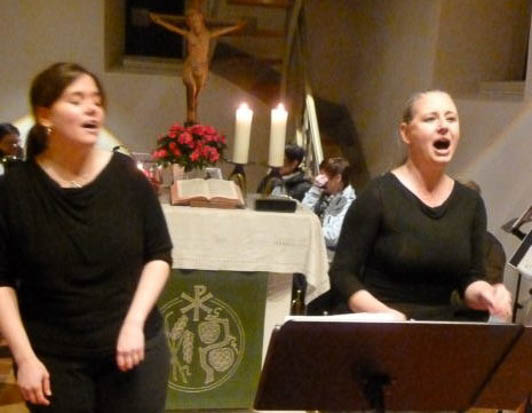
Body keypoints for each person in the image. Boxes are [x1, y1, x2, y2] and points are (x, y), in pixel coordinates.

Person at [0, 62, 172, 412]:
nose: (92, 108)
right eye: (76, 100)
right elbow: (1, 281)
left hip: (133, 347)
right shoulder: (15, 188)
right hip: (52, 357)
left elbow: (159, 255)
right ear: (45, 115)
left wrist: (134, 323)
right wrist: (25, 358)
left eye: (96, 100)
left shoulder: (127, 177)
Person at [329, 90, 512, 321]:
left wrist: (487, 293)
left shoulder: (470, 202)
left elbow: (470, 279)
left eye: (451, 118)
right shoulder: (377, 194)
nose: (443, 126)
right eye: (430, 118)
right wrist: (386, 316)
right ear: (405, 133)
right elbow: (343, 274)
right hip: (380, 324)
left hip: (437, 329)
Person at [150, 8, 245, 124]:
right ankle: (190, 117)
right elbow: (173, 29)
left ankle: (193, 118)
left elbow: (222, 31)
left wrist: (236, 27)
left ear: (201, 21)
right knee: (191, 89)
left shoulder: (208, 34)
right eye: (192, 22)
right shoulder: (189, 34)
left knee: (196, 96)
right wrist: (159, 21)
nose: (195, 24)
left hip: (202, 67)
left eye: (197, 21)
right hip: (190, 66)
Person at [302, 157, 356, 252]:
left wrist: (307, 230)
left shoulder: (349, 202)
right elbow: (303, 213)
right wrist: (316, 189)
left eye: (324, 178)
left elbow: (333, 237)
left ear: (338, 178)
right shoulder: (333, 196)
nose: (321, 181)